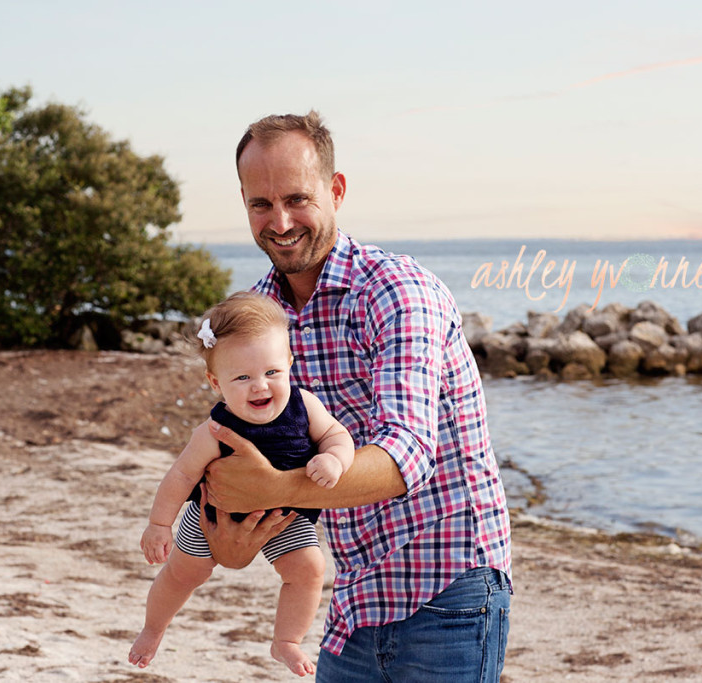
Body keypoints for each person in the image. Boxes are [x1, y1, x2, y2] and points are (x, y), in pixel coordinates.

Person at [197, 111, 513, 682]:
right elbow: (246, 487)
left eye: (298, 198)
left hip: (450, 591)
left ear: (336, 190)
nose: (281, 220)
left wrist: (274, 486)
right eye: (260, 204)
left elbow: (406, 453)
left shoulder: (396, 291)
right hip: (353, 600)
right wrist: (232, 538)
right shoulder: (260, 320)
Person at [128, 291, 355, 676]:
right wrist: (159, 523)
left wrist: (333, 458)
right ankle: (152, 629)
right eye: (243, 377)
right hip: (213, 514)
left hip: (285, 516)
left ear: (289, 364)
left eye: (271, 373)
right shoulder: (214, 430)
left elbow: (338, 435)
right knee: (185, 574)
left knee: (310, 569)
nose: (260, 386)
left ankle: (286, 640)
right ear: (216, 382)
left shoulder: (306, 406)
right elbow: (181, 475)